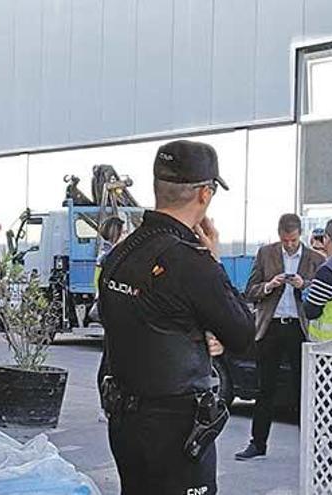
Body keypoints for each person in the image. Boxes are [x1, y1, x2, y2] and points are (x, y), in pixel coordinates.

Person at [97, 140, 255, 495]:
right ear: (205, 193)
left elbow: (142, 323)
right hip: (176, 430)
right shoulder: (191, 262)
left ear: (157, 187)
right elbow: (243, 334)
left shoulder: (119, 256)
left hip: (125, 422)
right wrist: (213, 261)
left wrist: (196, 333)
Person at [235, 214, 324, 461]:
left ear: (300, 235)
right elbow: (249, 292)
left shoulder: (316, 259)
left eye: (293, 240)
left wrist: (303, 284)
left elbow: (325, 293)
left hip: (300, 329)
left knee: (303, 390)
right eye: (285, 241)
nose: (289, 245)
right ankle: (257, 443)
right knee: (265, 389)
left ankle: (311, 448)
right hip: (271, 327)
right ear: (279, 235)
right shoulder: (266, 254)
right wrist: (269, 285)